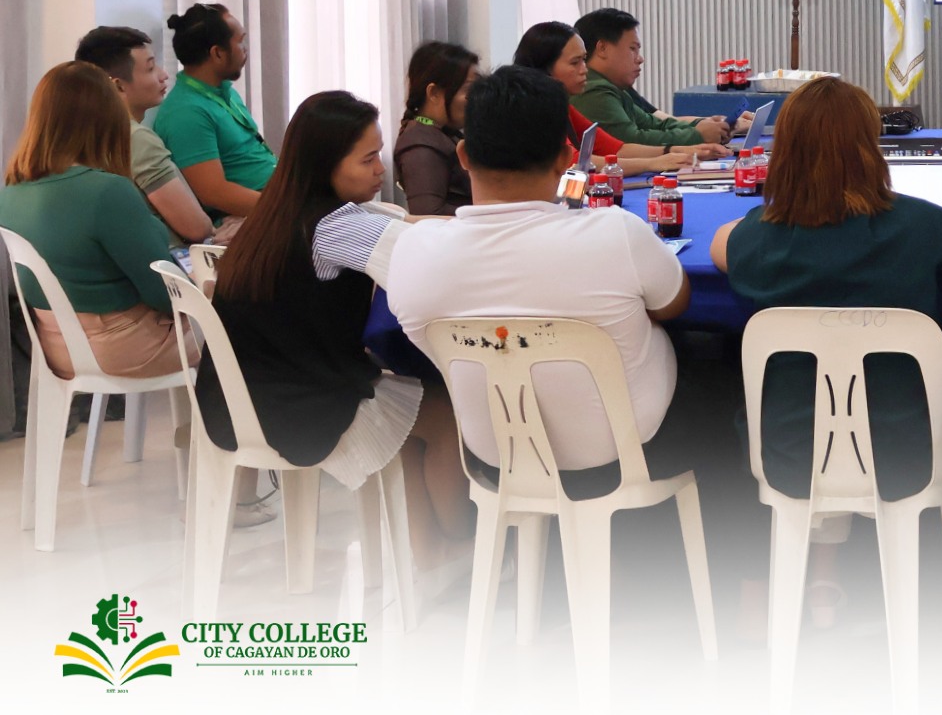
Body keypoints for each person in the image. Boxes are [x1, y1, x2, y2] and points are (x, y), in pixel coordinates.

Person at [711, 76, 942, 629]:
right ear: (871, 149)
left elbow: (721, 246)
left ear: (783, 153)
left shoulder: (752, 238)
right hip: (909, 452)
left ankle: (823, 561)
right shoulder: (918, 224)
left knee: (810, 391)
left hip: (789, 453)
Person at [389, 66, 697, 507]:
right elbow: (674, 304)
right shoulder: (616, 234)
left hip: (495, 457)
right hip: (624, 455)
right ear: (564, 158)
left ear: (463, 155)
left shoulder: (413, 252)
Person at [195, 91, 470, 567]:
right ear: (326, 164)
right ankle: (464, 544)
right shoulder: (335, 225)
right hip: (299, 407)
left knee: (413, 413)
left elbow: (402, 228)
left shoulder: (271, 215)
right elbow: (426, 261)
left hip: (241, 402)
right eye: (367, 160)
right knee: (447, 417)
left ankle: (429, 554)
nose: (380, 170)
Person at [0, 63, 190, 381]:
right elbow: (164, 293)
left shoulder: (11, 192)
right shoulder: (107, 192)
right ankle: (218, 430)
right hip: (123, 349)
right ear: (108, 119)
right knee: (239, 329)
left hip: (55, 349)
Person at [511, 21, 727, 173]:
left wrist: (679, 151)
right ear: (544, 68)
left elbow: (614, 148)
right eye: (575, 62)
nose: (584, 69)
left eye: (584, 60)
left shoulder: (561, 102)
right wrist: (654, 163)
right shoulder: (533, 107)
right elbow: (574, 162)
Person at [74, 26, 215, 245]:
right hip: (170, 269)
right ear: (118, 86)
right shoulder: (136, 139)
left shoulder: (82, 136)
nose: (164, 75)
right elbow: (196, 229)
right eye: (150, 68)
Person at [151, 3, 276, 220]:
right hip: (256, 216)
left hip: (274, 199)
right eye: (239, 42)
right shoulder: (186, 112)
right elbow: (215, 194)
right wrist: (289, 209)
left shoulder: (223, 91)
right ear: (217, 53)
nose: (245, 49)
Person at [569, 7, 742, 148]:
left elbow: (654, 123)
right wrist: (697, 135)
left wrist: (703, 126)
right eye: (632, 49)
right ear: (602, 49)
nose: (640, 58)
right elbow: (632, 140)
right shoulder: (594, 90)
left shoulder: (612, 87)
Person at [395, 41, 479, 216]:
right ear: (433, 93)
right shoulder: (420, 143)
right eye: (470, 91)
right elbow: (427, 213)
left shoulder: (441, 133)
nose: (476, 99)